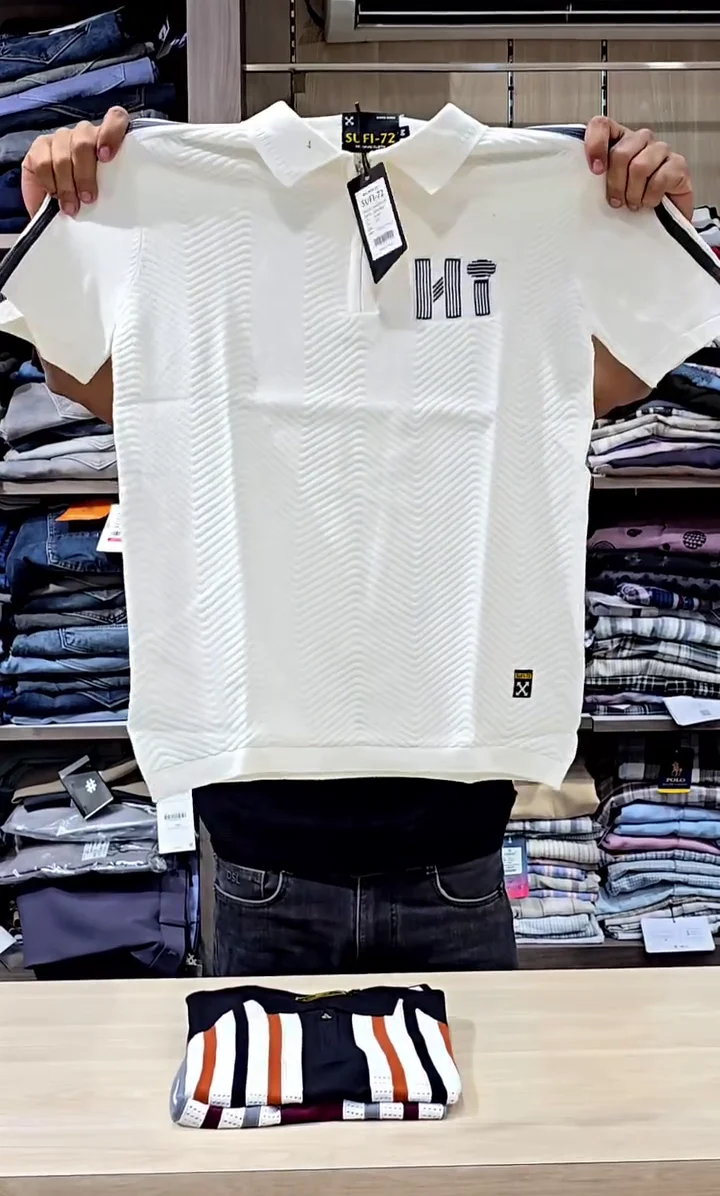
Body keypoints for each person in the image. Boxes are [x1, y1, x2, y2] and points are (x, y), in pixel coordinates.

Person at [18, 107, 696, 977]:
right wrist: (67, 220)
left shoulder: (533, 197)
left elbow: (598, 377)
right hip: (259, 850)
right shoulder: (173, 194)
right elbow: (97, 377)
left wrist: (650, 224)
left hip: (457, 846)